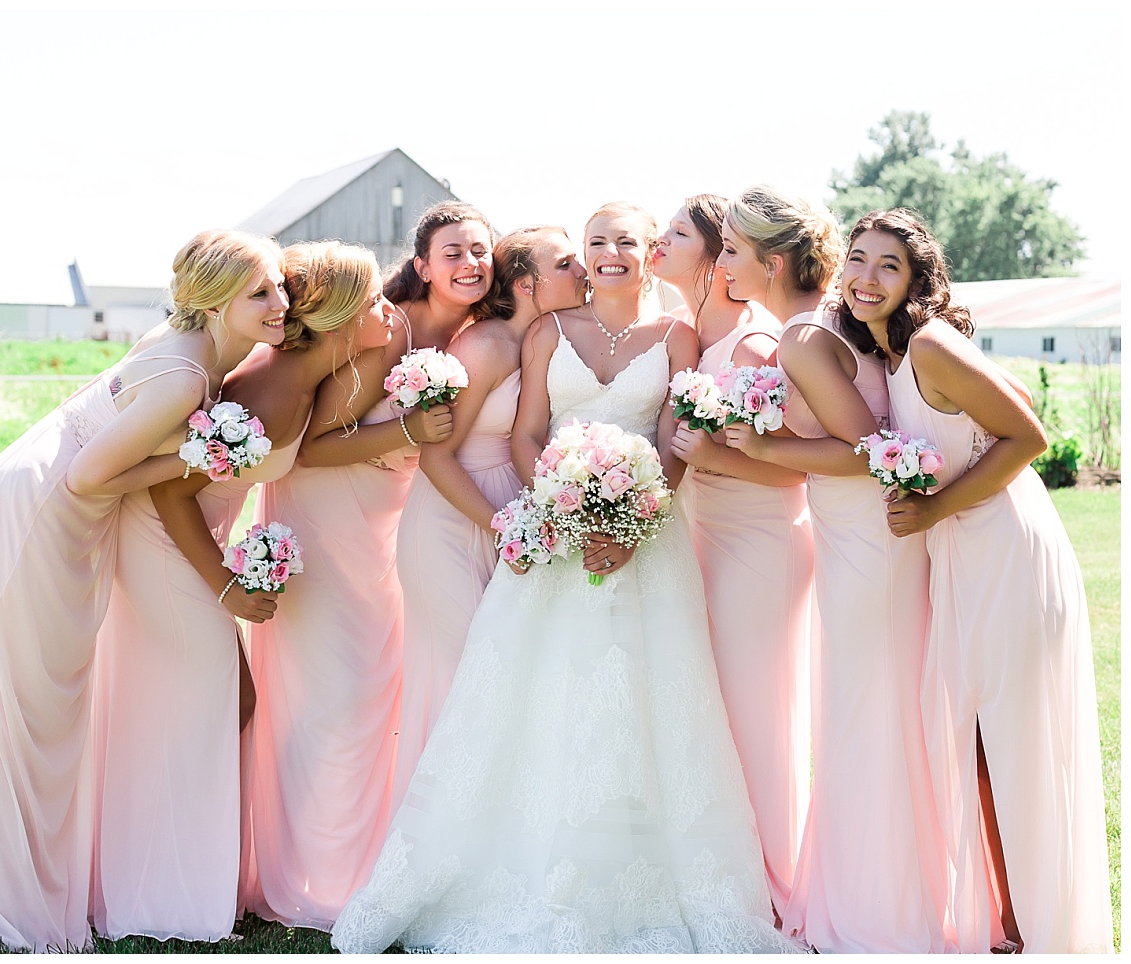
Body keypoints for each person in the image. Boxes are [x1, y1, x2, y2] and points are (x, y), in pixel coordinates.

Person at [331, 202, 796, 953]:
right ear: (585, 254)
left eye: (626, 242)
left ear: (648, 255)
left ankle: (648, 873)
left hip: (649, 539)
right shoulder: (548, 332)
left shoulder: (678, 337)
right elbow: (527, 431)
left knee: (649, 701)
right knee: (530, 693)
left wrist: (637, 517)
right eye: (596, 242)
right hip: (556, 528)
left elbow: (677, 439)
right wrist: (565, 511)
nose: (610, 253)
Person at [0, 228, 287, 952]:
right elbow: (87, 478)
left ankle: (25, 881)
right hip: (38, 517)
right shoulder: (188, 378)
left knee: (43, 714)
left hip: (46, 512)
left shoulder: (197, 349)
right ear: (217, 302)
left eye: (280, 286)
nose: (280, 302)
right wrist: (200, 454)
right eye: (262, 292)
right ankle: (3, 902)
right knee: (32, 716)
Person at [87, 240, 392, 943]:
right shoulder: (275, 393)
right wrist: (225, 586)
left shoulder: (304, 377)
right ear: (341, 315)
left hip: (196, 539)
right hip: (171, 544)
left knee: (223, 704)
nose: (386, 313)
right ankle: (163, 891)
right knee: (221, 702)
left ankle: (181, 879)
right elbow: (171, 490)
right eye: (374, 301)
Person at [838, 209, 1113, 953]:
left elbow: (1029, 432)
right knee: (980, 747)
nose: (866, 276)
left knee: (1009, 741)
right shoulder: (888, 354)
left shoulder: (929, 344)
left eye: (886, 265)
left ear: (915, 277)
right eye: (856, 258)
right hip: (962, 553)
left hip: (1006, 548)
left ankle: (1033, 928)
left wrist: (934, 509)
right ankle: (1008, 922)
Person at [239, 202, 496, 930]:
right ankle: (305, 879)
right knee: (337, 699)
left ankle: (356, 865)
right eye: (454, 251)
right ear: (422, 263)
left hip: (386, 528)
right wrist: (407, 429)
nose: (470, 263)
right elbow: (313, 446)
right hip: (327, 518)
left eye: (481, 250)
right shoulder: (385, 330)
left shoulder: (472, 338)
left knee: (374, 701)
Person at [719, 186, 951, 952]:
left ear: (771, 261)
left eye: (730, 251)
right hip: (860, 540)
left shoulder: (800, 339)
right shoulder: (834, 327)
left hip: (864, 545)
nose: (722, 266)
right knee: (868, 715)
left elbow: (869, 447)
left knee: (864, 717)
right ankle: (879, 895)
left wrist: (763, 449)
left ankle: (876, 912)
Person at [390, 225, 589, 810]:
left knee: (507, 679)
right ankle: (427, 836)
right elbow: (434, 453)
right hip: (453, 518)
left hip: (509, 509)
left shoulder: (543, 342)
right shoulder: (485, 346)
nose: (582, 271)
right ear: (529, 283)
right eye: (568, 263)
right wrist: (502, 524)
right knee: (462, 678)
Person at [656, 194, 813, 920]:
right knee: (714, 710)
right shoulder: (693, 339)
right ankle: (724, 872)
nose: (660, 242)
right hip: (703, 534)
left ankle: (776, 888)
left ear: (720, 258)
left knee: (757, 710)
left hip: (758, 540)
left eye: (679, 234)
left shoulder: (754, 347)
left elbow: (796, 471)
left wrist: (713, 452)